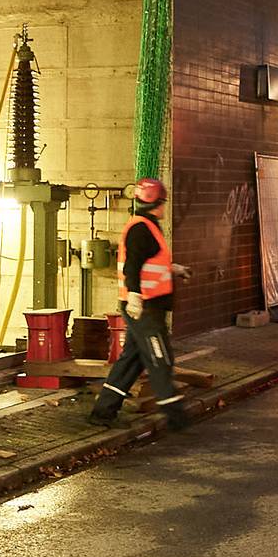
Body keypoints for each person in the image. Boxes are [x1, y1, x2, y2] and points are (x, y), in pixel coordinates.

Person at [89, 177, 192, 429]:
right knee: (160, 358)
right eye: (163, 202)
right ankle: (175, 415)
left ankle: (102, 412)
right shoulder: (141, 228)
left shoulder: (147, 226)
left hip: (144, 305)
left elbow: (148, 263)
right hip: (144, 308)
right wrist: (135, 297)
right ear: (157, 202)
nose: (164, 207)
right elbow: (133, 267)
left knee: (131, 362)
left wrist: (173, 269)